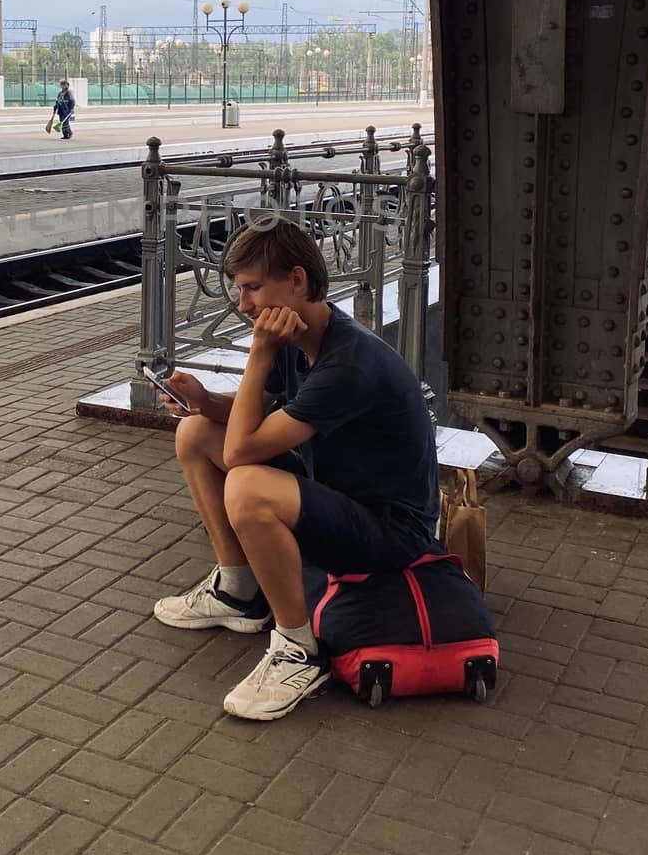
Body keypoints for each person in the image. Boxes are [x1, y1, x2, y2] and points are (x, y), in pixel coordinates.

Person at [152, 218, 439, 722]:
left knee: (248, 486)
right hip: (338, 491)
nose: (243, 306)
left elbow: (242, 453)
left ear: (298, 281)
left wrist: (259, 353)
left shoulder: (347, 364)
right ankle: (238, 592)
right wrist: (202, 401)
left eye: (252, 288)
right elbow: (252, 417)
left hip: (393, 533)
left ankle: (298, 650)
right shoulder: (303, 337)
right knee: (196, 433)